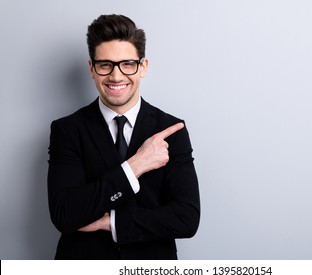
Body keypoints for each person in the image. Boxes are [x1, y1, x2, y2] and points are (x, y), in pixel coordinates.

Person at [47, 14, 200, 260]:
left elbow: (186, 219)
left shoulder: (172, 129)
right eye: (105, 64)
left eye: (127, 64)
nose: (116, 76)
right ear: (92, 69)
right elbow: (65, 214)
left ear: (143, 67)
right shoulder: (67, 130)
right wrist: (136, 165)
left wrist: (111, 222)